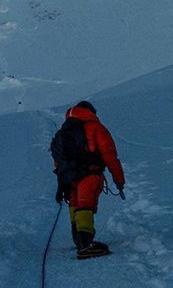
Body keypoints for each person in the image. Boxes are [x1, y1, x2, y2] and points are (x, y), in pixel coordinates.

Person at [51, 100, 125, 259]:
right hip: (89, 174)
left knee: (75, 203)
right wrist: (118, 179)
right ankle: (86, 244)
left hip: (68, 177)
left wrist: (62, 181)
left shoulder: (63, 132)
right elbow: (110, 155)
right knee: (85, 204)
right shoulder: (95, 127)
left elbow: (58, 161)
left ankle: (79, 239)